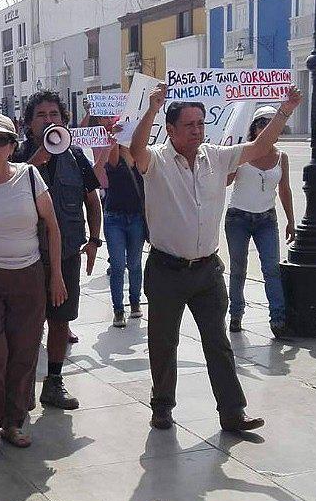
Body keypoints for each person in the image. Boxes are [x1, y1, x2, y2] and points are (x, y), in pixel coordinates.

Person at [129, 84, 303, 433]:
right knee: (163, 342)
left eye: (200, 123)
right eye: (189, 125)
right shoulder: (157, 160)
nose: (197, 130)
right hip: (166, 269)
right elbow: (135, 151)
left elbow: (259, 147)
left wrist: (285, 110)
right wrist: (152, 109)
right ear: (171, 129)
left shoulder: (216, 156)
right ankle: (162, 406)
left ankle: (232, 412)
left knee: (218, 342)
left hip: (207, 270)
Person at [0, 113, 67, 455]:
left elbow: (52, 226)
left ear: (12, 146)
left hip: (28, 278)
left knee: (23, 353)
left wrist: (56, 276)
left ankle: (13, 422)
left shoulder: (30, 177)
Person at [13, 90, 103, 411]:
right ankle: (21, 389)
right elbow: (3, 197)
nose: (48, 120)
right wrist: (31, 165)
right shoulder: (17, 157)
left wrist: (94, 240)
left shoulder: (75, 156)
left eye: (54, 115)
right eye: (41, 115)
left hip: (66, 256)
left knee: (61, 320)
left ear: (64, 120)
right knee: (26, 325)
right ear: (29, 124)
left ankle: (53, 382)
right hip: (26, 258)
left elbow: (92, 201)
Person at [225, 105, 295, 339]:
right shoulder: (242, 152)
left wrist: (291, 221)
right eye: (262, 123)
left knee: (271, 269)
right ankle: (236, 314)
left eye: (271, 123)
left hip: (267, 219)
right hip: (238, 218)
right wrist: (230, 161)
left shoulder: (281, 157)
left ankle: (278, 319)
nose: (266, 127)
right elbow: (226, 181)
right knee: (238, 269)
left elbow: (285, 190)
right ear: (254, 128)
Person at [101, 137, 145, 327]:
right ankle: (118, 310)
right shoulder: (115, 157)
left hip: (136, 218)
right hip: (114, 218)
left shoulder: (142, 159)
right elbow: (111, 158)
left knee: (134, 263)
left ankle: (135, 302)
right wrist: (115, 140)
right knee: (118, 265)